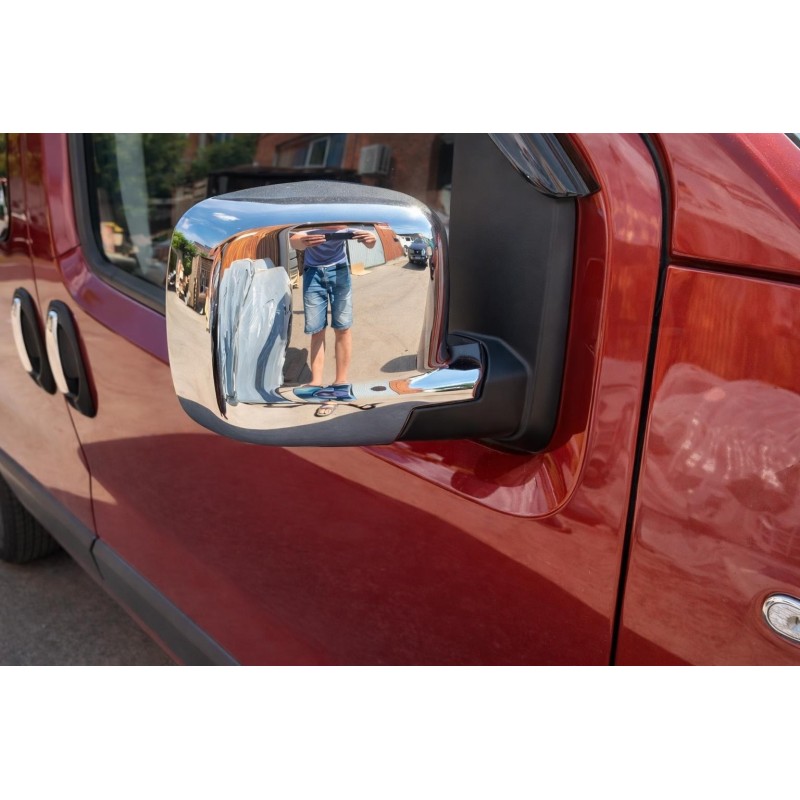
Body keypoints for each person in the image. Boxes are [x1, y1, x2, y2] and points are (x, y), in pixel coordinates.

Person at [289, 224, 376, 416]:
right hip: (313, 273)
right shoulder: (315, 220)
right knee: (316, 329)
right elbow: (294, 240)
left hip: (339, 270)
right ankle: (316, 382)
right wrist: (301, 241)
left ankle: (340, 382)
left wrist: (371, 239)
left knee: (343, 327)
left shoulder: (342, 220)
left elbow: (369, 240)